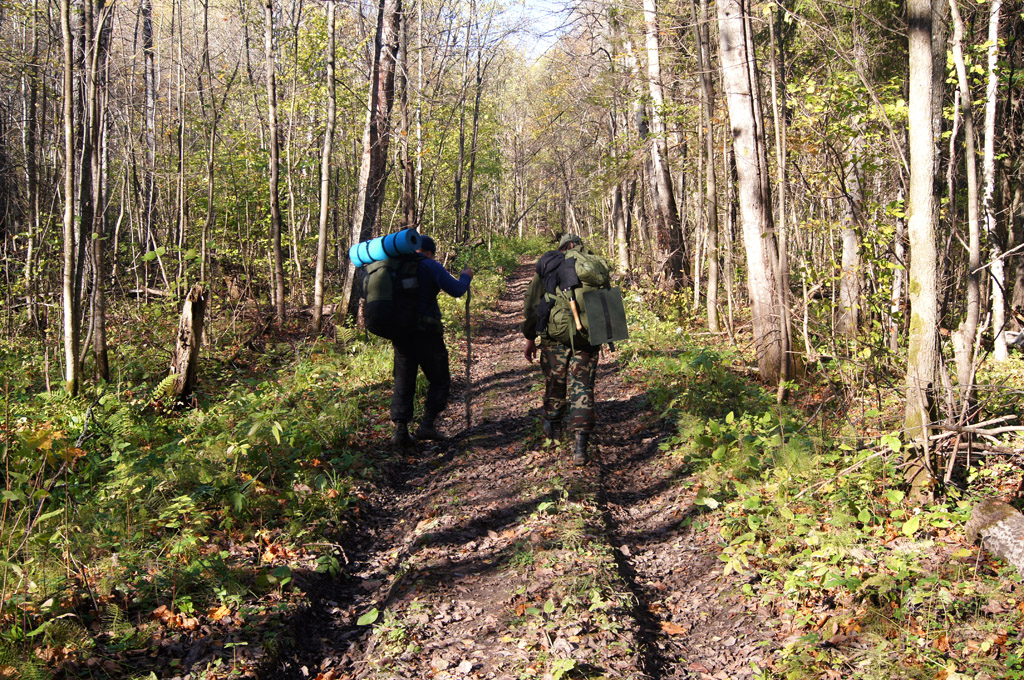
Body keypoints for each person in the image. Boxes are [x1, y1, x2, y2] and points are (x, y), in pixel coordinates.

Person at [522, 234, 599, 465]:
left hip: (553, 337)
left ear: (562, 247)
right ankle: (580, 445)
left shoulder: (548, 264)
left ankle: (553, 428)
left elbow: (532, 304)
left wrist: (529, 337)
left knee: (555, 381)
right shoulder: (592, 267)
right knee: (582, 386)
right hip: (587, 336)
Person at [390, 235, 473, 447]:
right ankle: (427, 424)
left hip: (400, 333)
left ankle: (401, 432)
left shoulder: (395, 265)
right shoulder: (430, 266)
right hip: (427, 333)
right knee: (439, 379)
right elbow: (456, 290)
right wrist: (466, 277)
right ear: (428, 251)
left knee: (403, 380)